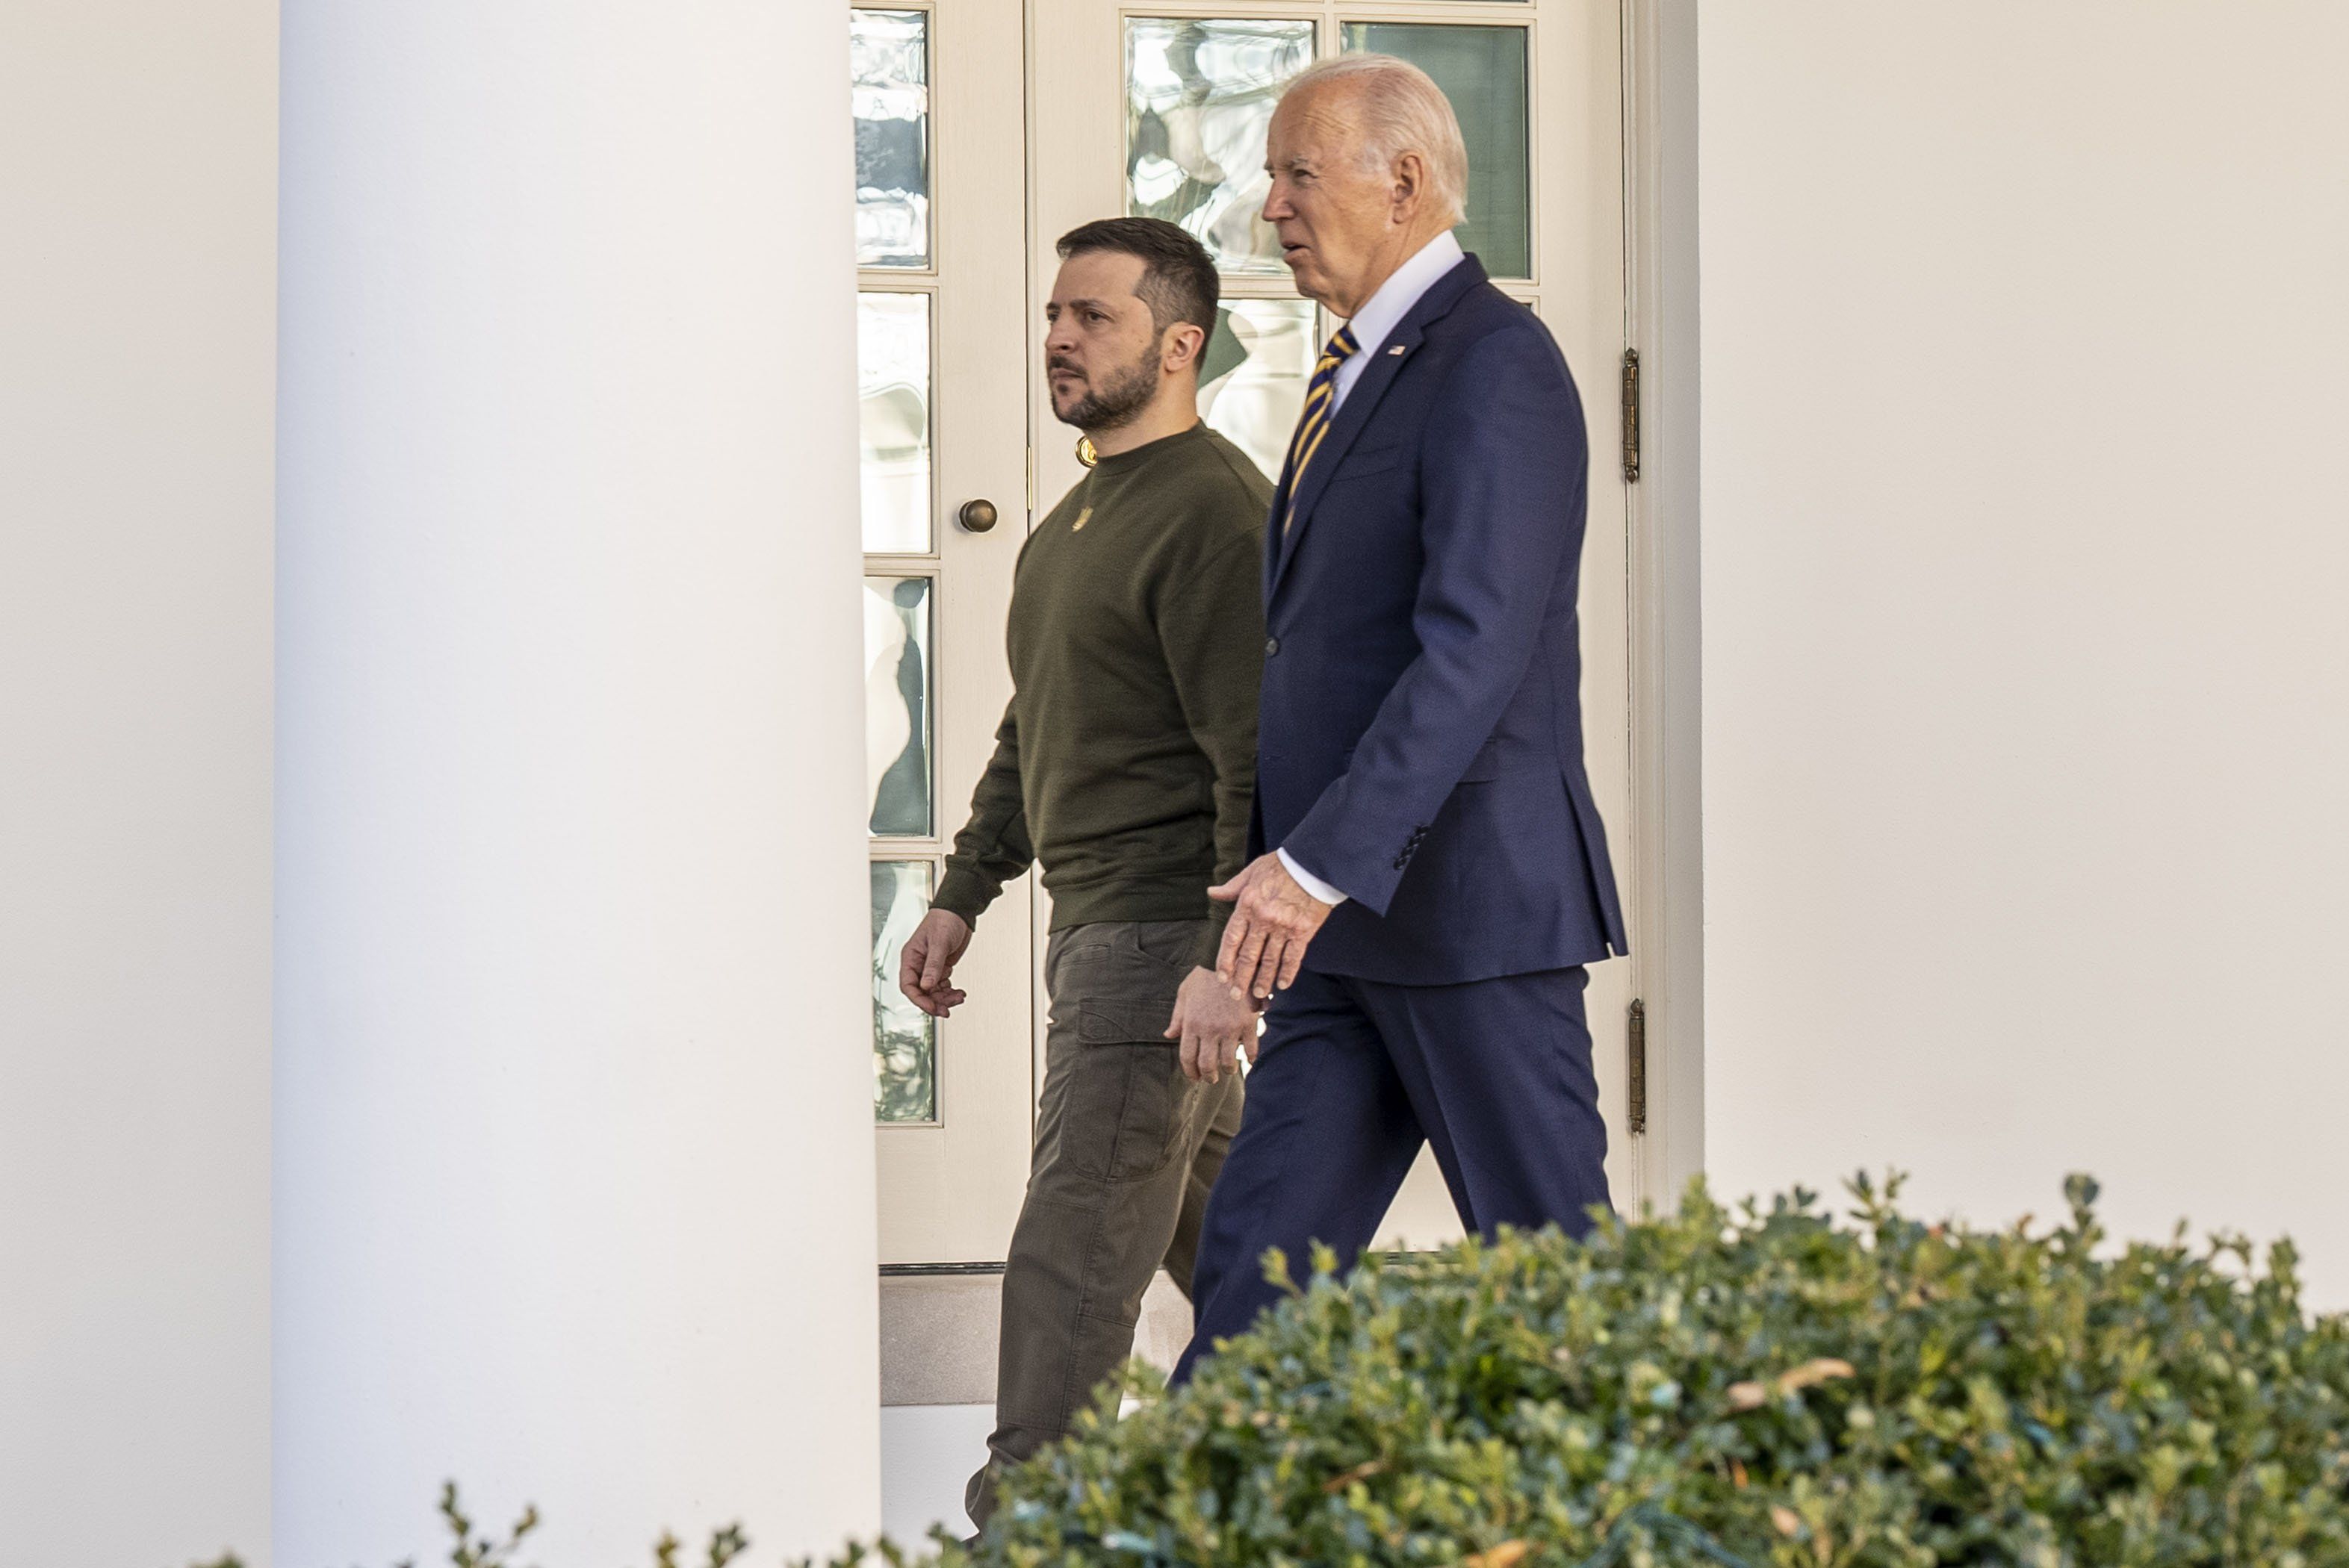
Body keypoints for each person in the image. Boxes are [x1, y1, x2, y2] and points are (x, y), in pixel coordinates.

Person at [1173, 55, 1627, 1384]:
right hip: (1337, 931)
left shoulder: (1496, 364)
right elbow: (1313, 657)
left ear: (1406, 182)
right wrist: (1267, 907)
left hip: (1471, 918)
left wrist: (1307, 872)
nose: (1268, 209)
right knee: (1253, 1286)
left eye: (1295, 174)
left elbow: (1471, 649)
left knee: (1560, 1297)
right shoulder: (1357, 370)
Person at [896, 217, 1273, 1529]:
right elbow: (1034, 723)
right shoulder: (1080, 517)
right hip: (1105, 926)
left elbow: (1255, 756)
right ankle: (1337, 1472)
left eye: (1094, 317)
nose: (1059, 336)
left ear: (1181, 343)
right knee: (1250, 1256)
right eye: (1056, 313)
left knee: (1072, 1253)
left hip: (1161, 938)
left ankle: (1026, 1527)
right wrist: (961, 890)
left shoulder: (1217, 513)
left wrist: (1226, 961)